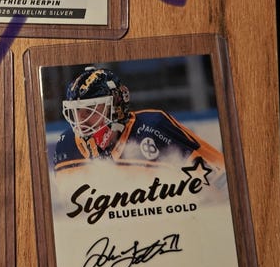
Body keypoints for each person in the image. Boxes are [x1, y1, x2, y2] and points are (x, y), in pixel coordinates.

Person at [53, 67, 225, 182]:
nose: (80, 120)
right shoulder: (66, 146)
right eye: (76, 111)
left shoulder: (153, 128)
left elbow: (217, 181)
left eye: (90, 110)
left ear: (116, 105)